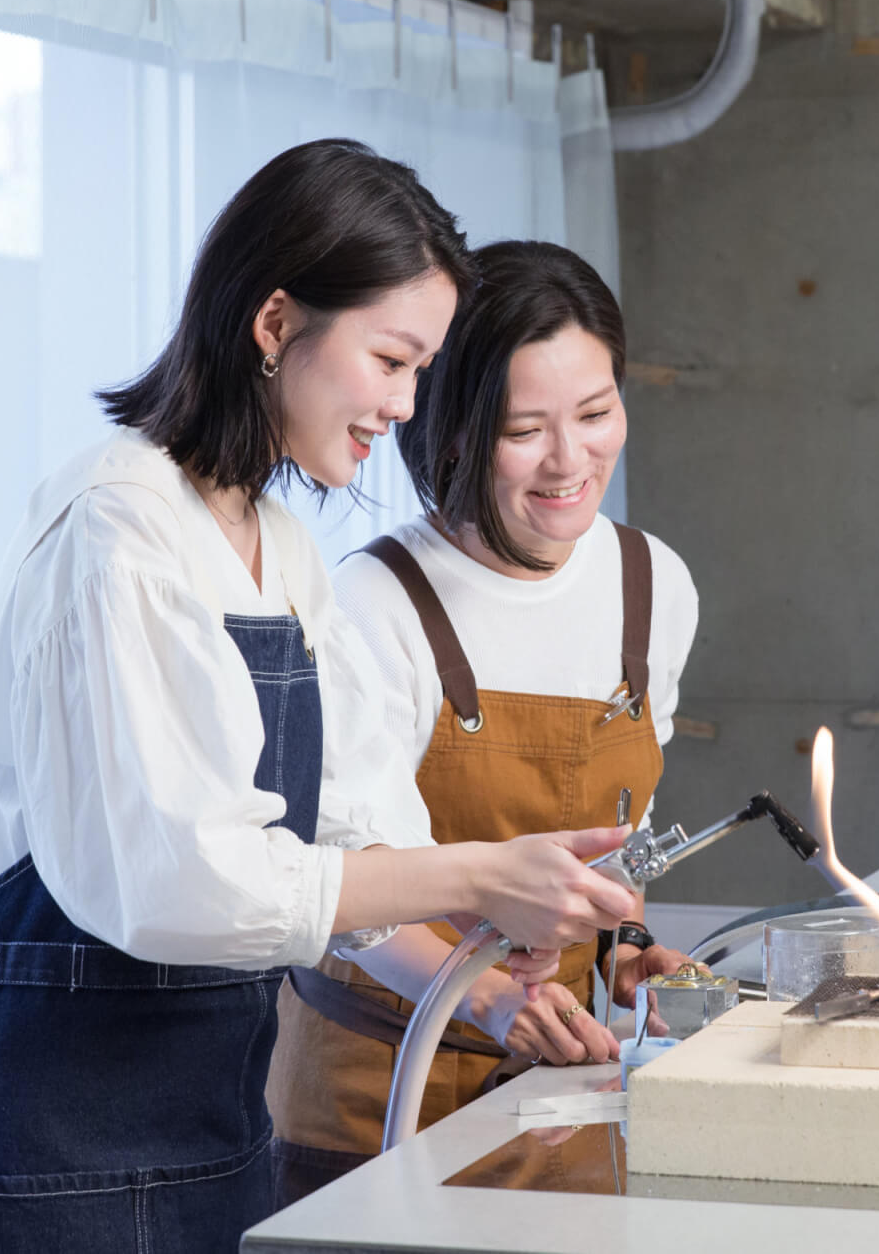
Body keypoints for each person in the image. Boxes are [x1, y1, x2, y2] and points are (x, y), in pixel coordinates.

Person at [0, 144, 636, 1253]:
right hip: (43, 1142)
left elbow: (346, 833)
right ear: (276, 322)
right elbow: (183, 883)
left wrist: (480, 943)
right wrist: (479, 871)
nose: (403, 404)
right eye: (390, 359)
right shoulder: (119, 531)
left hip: (210, 1125)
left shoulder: (278, 552)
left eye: (420, 370)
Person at [265, 239, 701, 1201]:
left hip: (555, 1094)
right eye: (525, 429)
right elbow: (338, 896)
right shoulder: (375, 603)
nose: (570, 459)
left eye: (595, 414)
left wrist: (627, 952)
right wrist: (496, 997)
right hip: (375, 1095)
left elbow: (607, 844)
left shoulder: (650, 584)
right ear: (452, 429)